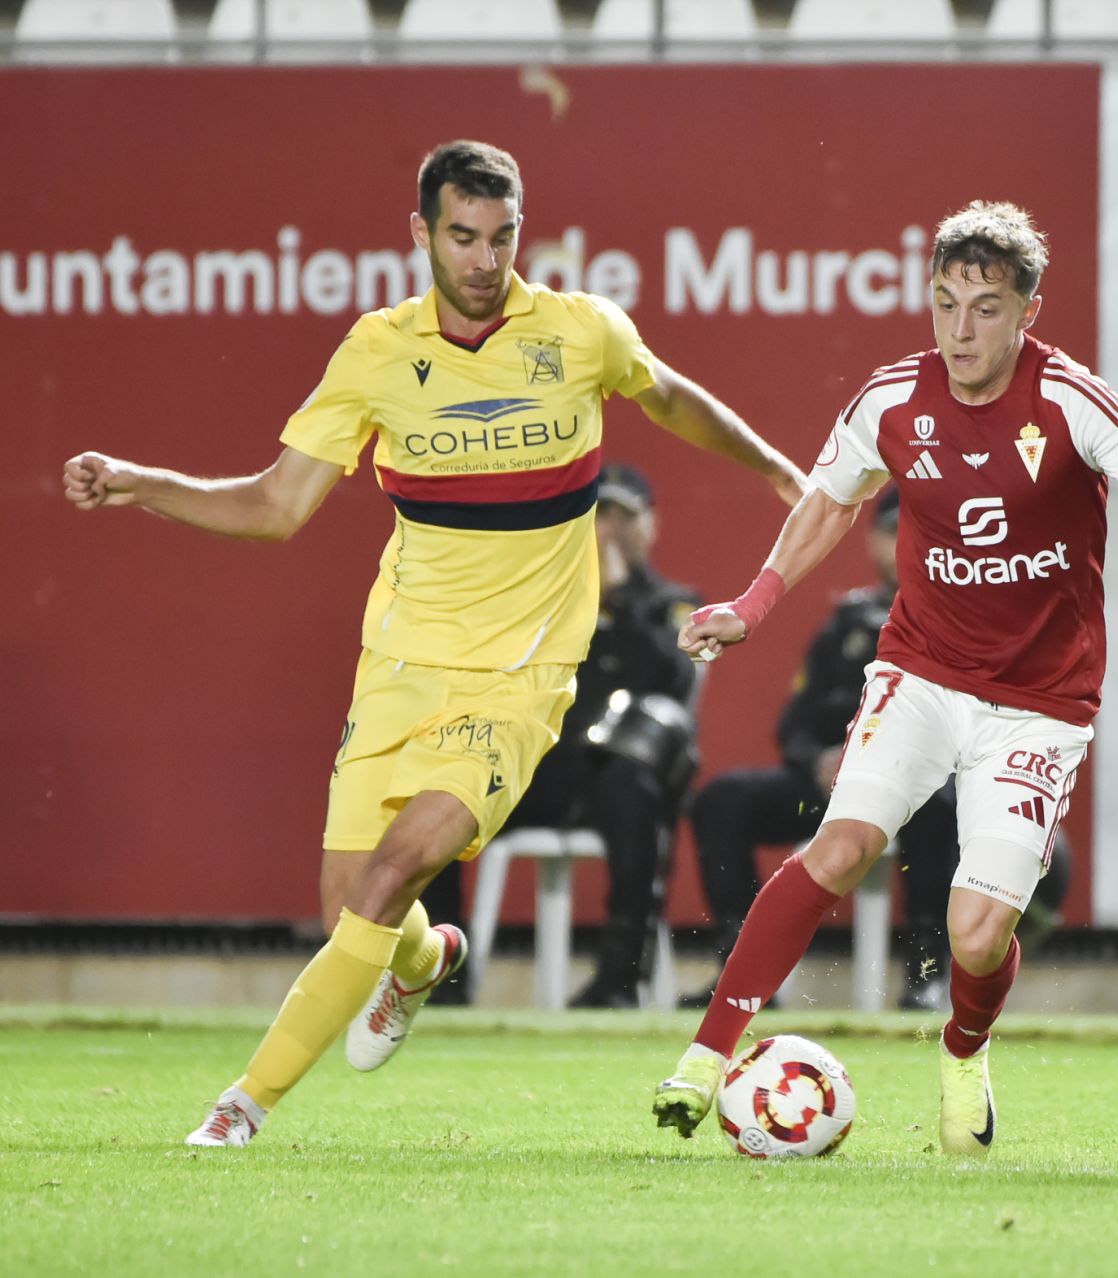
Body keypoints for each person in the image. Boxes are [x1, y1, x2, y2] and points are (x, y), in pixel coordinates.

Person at [61, 140, 805, 1147]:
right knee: (349, 912)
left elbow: (669, 394)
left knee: (391, 869)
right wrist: (142, 482)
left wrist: (776, 472)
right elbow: (276, 506)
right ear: (421, 234)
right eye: (462, 237)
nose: (484, 261)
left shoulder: (580, 332)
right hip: (402, 666)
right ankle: (421, 962)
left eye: (502, 238)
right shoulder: (376, 353)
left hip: (522, 681)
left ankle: (243, 1105)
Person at [652, 200, 1118, 1158]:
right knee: (839, 847)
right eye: (946, 302)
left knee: (973, 936)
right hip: (920, 672)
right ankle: (706, 1058)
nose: (961, 330)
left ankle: (964, 1052)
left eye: (987, 309)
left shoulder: (1070, 402)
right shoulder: (891, 400)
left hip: (1040, 706)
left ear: (1027, 314)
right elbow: (828, 504)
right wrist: (750, 607)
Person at [688, 486, 1073, 1012]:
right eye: (893, 532)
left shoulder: (977, 621)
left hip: (926, 787)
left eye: (917, 530)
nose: (904, 543)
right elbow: (795, 722)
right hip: (834, 782)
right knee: (724, 800)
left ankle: (927, 972)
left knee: (939, 810)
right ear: (872, 541)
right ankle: (741, 963)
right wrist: (815, 760)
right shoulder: (847, 622)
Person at [422, 462, 702, 1009]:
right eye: (600, 515)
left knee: (634, 790)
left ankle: (618, 983)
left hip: (615, 781)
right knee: (445, 789)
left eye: (624, 517)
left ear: (651, 526)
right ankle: (443, 975)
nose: (609, 532)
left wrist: (616, 593)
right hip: (540, 768)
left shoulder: (672, 605)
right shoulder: (540, 598)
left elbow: (674, 679)